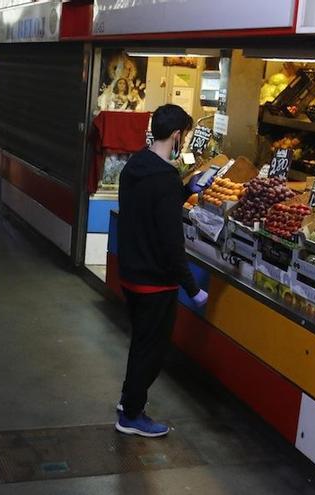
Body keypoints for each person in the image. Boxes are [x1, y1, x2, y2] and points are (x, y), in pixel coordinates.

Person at [115, 104, 209, 438]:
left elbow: (145, 208)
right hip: (156, 282)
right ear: (177, 135)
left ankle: (128, 399)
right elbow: (172, 244)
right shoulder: (166, 177)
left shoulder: (136, 166)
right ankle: (132, 415)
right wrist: (192, 288)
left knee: (140, 342)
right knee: (152, 350)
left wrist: (185, 191)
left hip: (131, 273)